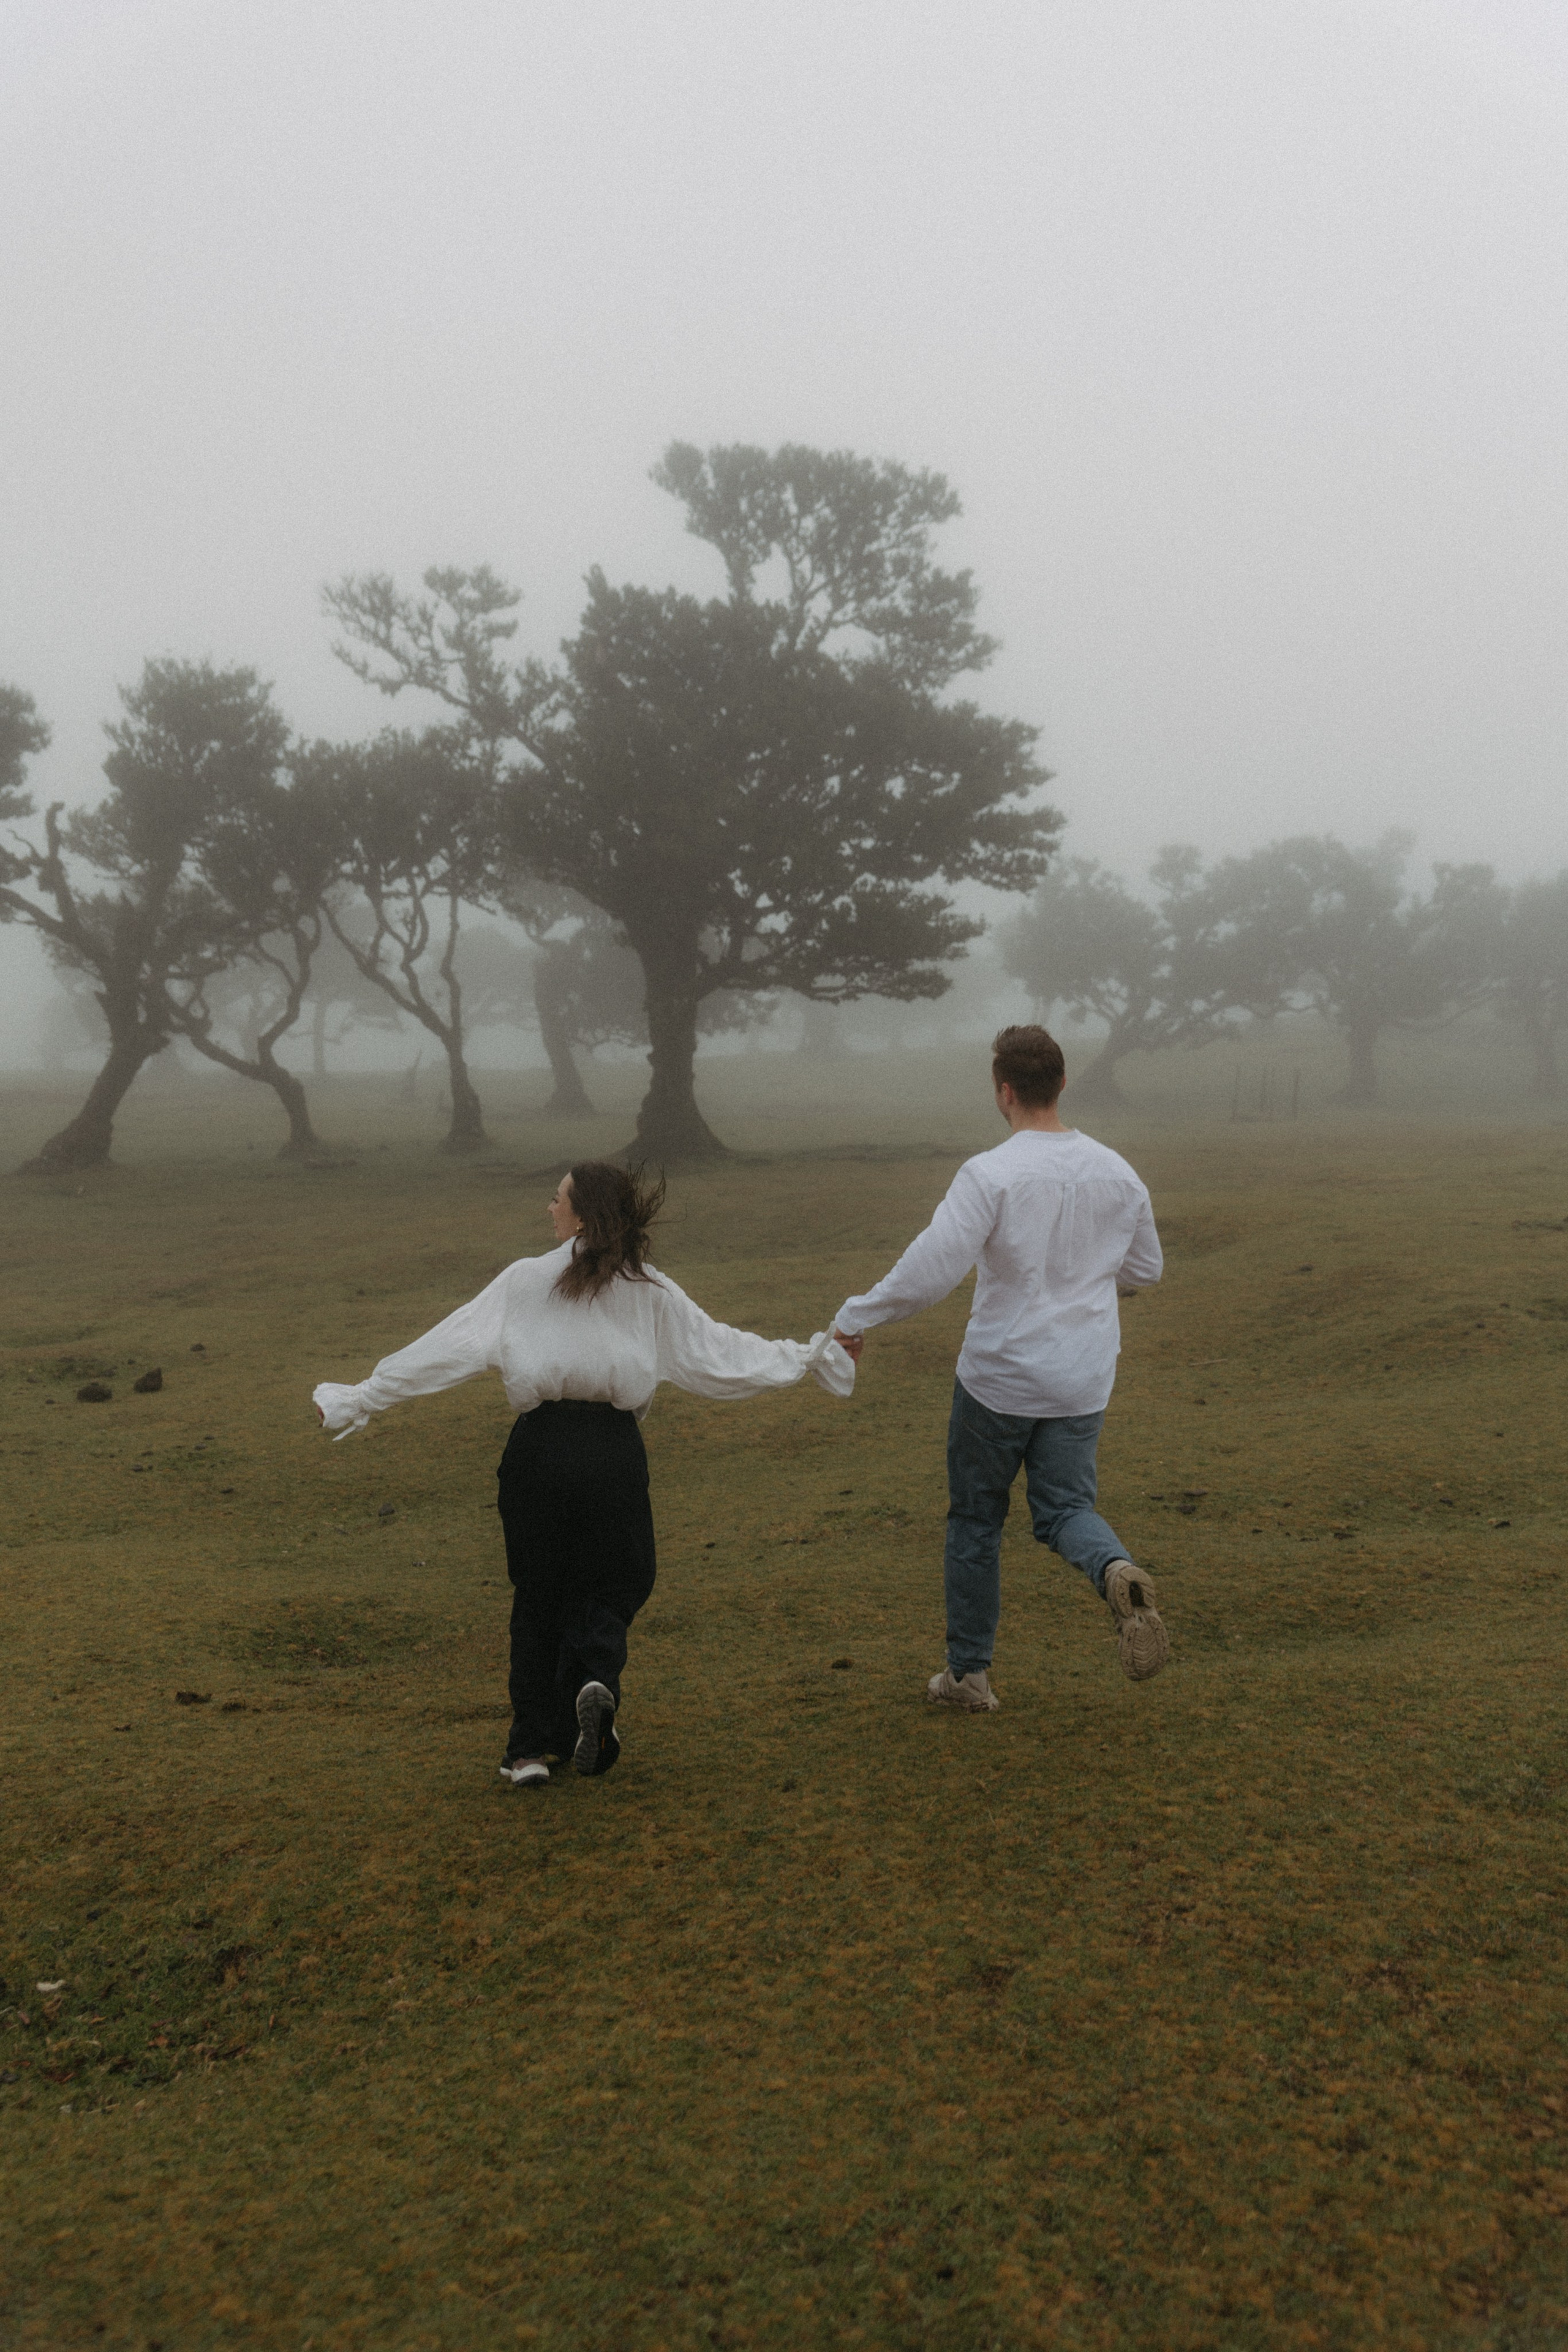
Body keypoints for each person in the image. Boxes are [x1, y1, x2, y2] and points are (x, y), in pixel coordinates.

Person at [314, 1162, 853, 1784]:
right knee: (619, 1577)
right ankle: (593, 1681)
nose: (549, 1208)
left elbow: (447, 1346)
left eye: (557, 1199)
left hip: (538, 1452)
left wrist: (363, 1396)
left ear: (581, 1215)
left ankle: (527, 1752)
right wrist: (809, 1356)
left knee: (539, 1593)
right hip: (612, 1453)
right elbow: (720, 1352)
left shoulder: (525, 1281)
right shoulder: (648, 1288)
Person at [830, 1025, 1166, 1711]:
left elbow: (933, 1269)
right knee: (1066, 1509)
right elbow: (1145, 1269)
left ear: (1004, 1092)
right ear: (1062, 1083)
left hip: (1000, 1380)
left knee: (977, 1522)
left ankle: (968, 1677)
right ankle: (1114, 1568)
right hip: (1081, 1380)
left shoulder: (991, 1174)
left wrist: (857, 1315)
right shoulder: (1118, 1172)